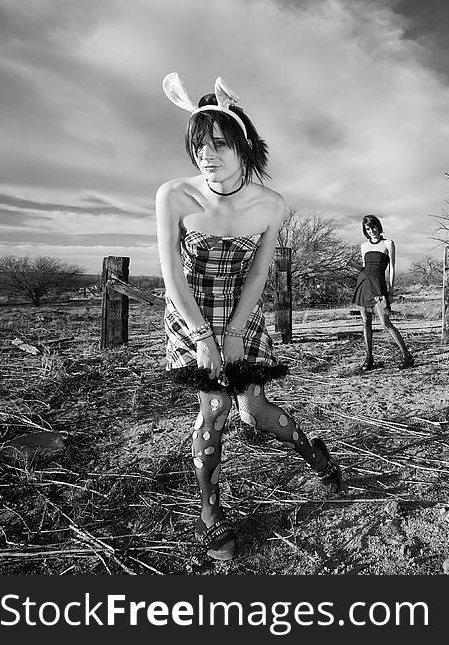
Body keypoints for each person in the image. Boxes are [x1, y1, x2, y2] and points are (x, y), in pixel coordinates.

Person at [156, 72, 345, 562]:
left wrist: (235, 333)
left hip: (242, 314)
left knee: (254, 411)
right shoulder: (175, 194)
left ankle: (315, 453)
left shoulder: (270, 205)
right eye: (200, 146)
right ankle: (211, 516)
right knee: (214, 408)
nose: (207, 156)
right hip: (190, 311)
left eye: (220, 144)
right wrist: (203, 337)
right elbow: (171, 275)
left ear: (244, 145)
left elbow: (260, 274)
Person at [351, 214, 415, 371]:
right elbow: (365, 268)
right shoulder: (363, 246)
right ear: (365, 231)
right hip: (364, 286)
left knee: (385, 323)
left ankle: (407, 356)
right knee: (365, 322)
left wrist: (391, 291)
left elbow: (392, 269)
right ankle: (369, 358)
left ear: (378, 226)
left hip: (379, 287)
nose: (371, 231)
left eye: (373, 227)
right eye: (368, 229)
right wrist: (352, 265)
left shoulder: (388, 243)